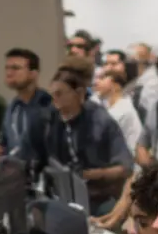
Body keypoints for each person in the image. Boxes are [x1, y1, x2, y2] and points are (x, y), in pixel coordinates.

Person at [44, 67, 134, 215]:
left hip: (99, 197)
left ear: (79, 93)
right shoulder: (52, 119)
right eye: (52, 94)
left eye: (59, 94)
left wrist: (91, 174)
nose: (54, 99)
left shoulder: (100, 121)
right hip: (63, 195)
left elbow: (124, 168)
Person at [0, 48, 54, 164]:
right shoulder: (13, 106)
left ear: (33, 74)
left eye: (15, 68)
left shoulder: (46, 106)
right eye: (7, 68)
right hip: (12, 170)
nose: (9, 73)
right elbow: (7, 145)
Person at [96, 69, 143, 153]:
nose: (97, 82)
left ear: (116, 86)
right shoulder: (107, 106)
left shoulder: (124, 110)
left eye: (103, 79)